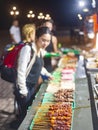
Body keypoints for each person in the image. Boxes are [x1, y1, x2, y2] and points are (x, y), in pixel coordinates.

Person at [13, 25, 52, 128]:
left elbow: (38, 66)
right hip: (24, 88)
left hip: (31, 87)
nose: (46, 43)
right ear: (37, 37)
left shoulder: (39, 50)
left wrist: (47, 74)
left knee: (26, 114)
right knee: (24, 117)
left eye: (48, 41)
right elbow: (21, 71)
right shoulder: (27, 49)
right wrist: (23, 90)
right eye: (43, 40)